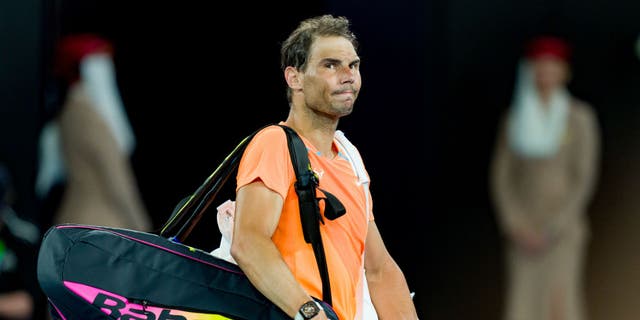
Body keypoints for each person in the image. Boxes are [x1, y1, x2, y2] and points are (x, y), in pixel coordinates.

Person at [229, 14, 418, 320]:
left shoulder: (349, 158)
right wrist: (309, 313)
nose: (348, 76)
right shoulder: (274, 143)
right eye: (330, 65)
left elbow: (380, 270)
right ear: (295, 78)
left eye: (353, 66)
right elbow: (249, 243)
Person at [489, 35, 601, 320]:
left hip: (563, 231)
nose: (546, 72)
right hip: (523, 230)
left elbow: (584, 177)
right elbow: (502, 176)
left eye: (553, 66)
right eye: (540, 65)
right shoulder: (516, 118)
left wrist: (555, 226)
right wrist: (515, 223)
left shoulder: (580, 117)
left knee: (562, 304)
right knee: (523, 305)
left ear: (565, 71)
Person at [36, 33, 153, 232]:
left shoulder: (70, 111)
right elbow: (116, 178)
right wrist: (142, 227)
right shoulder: (88, 116)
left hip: (78, 223)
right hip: (100, 228)